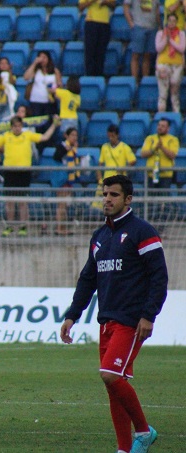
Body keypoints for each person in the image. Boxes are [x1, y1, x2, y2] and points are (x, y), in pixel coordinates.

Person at [60, 174, 167, 453]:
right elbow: (88, 279)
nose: (107, 199)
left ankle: (143, 431)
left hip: (131, 320)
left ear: (128, 199)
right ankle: (123, 449)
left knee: (109, 374)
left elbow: (159, 278)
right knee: (113, 385)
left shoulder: (142, 232)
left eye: (114, 195)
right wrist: (72, 315)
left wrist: (149, 315)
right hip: (106, 321)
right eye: (105, 194)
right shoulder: (99, 237)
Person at [0, 115, 60, 237]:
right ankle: (10, 226)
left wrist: (54, 124)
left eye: (19, 126)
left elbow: (44, 137)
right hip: (10, 172)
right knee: (9, 201)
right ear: (11, 127)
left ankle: (23, 226)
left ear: (22, 126)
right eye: (15, 126)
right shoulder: (6, 136)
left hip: (24, 172)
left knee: (23, 201)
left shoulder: (27, 135)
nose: (17, 128)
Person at [155, 14, 186, 112]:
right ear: (166, 21)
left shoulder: (181, 34)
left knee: (174, 87)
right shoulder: (160, 33)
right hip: (163, 63)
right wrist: (166, 39)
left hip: (177, 64)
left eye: (174, 21)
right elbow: (158, 48)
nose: (171, 23)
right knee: (163, 92)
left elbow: (182, 48)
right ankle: (161, 113)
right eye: (169, 20)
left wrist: (171, 40)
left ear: (176, 22)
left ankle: (176, 113)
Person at [53, 128, 81, 236]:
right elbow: (56, 156)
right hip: (62, 179)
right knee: (61, 204)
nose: (74, 137)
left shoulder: (74, 148)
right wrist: (67, 149)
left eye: (76, 135)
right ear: (66, 136)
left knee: (65, 205)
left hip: (69, 180)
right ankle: (59, 228)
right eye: (72, 135)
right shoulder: (62, 146)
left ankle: (62, 227)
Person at [124, 0, 160, 84]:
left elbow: (157, 10)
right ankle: (134, 82)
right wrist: (131, 24)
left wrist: (159, 25)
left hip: (152, 27)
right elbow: (125, 7)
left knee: (147, 55)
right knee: (136, 54)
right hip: (138, 26)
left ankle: (145, 81)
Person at [139, 118, 179, 193]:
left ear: (168, 128)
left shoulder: (173, 139)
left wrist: (162, 147)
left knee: (163, 197)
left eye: (163, 126)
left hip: (166, 175)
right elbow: (143, 154)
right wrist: (154, 149)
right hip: (151, 174)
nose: (160, 127)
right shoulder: (150, 138)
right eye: (159, 125)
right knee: (150, 197)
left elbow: (172, 155)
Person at [79, 0, 116, 76]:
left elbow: (113, 5)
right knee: (90, 53)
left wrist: (105, 2)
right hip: (91, 22)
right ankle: (89, 76)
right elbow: (81, 7)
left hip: (104, 23)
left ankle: (99, 77)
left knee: (101, 53)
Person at [23, 51, 62, 118]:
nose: (42, 59)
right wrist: (34, 63)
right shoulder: (36, 70)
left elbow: (59, 85)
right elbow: (26, 77)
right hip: (36, 101)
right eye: (40, 57)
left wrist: (54, 88)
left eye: (44, 57)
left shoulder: (55, 71)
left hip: (49, 101)